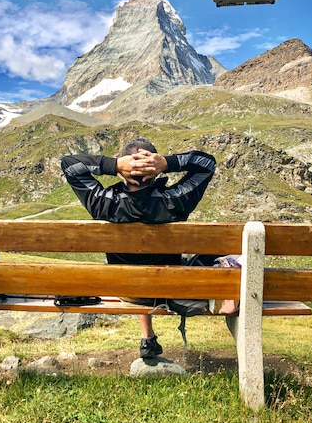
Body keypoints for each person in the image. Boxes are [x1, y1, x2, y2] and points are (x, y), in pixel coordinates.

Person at [61, 138, 216, 359]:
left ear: (123, 172)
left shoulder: (104, 203)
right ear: (155, 172)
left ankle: (147, 337)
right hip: (168, 288)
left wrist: (114, 165)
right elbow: (207, 164)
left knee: (131, 267)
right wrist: (167, 163)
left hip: (127, 290)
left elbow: (70, 164)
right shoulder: (175, 201)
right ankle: (148, 338)